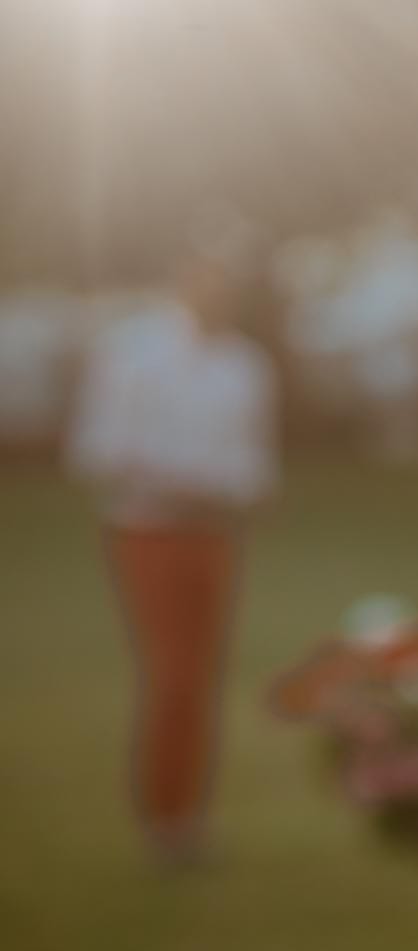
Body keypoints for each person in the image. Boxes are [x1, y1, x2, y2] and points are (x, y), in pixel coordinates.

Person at [67, 244, 277, 866]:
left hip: (216, 536)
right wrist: (185, 487)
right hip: (148, 532)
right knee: (173, 675)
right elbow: (97, 451)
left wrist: (236, 496)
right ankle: (164, 817)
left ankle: (189, 817)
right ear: (186, 277)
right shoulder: (132, 350)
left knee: (204, 678)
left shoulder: (246, 364)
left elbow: (254, 464)